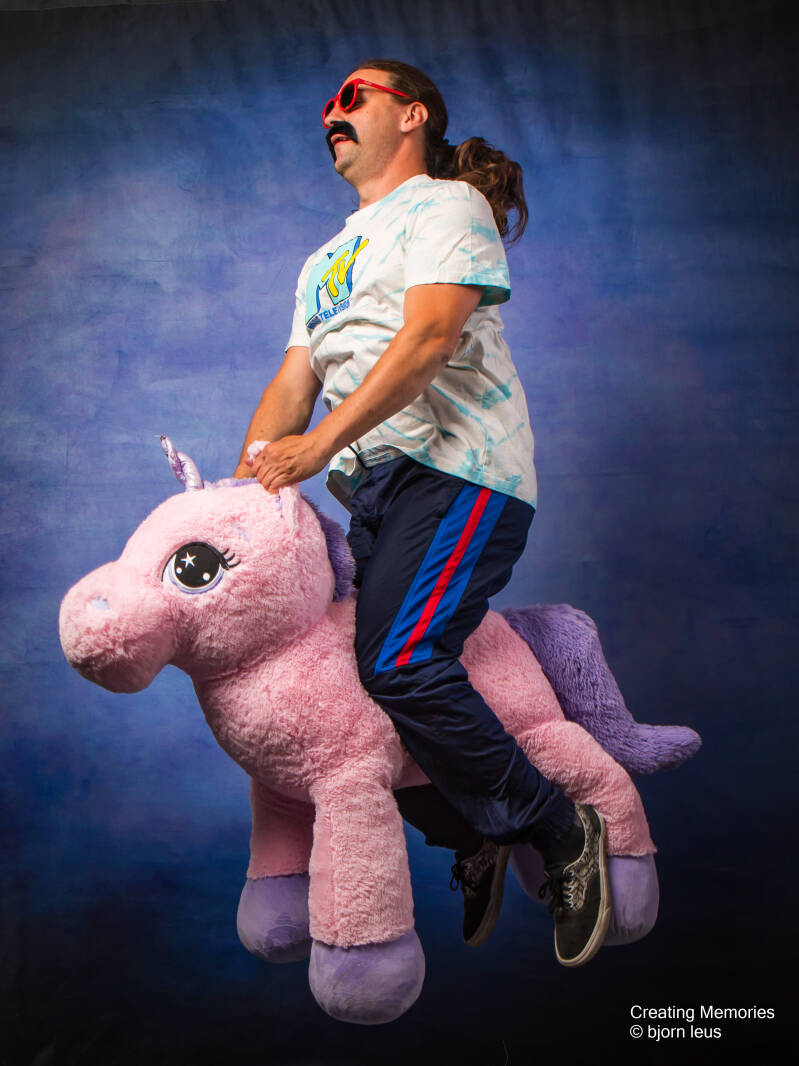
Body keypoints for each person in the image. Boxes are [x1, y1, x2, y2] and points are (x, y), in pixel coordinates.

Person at [233, 59, 610, 967]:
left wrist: (316, 447)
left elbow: (431, 336)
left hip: (457, 469)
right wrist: (242, 496)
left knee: (400, 661)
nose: (332, 114)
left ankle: (561, 831)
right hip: (372, 488)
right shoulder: (322, 261)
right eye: (325, 105)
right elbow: (292, 384)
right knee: (358, 692)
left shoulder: (447, 206)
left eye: (351, 97)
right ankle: (470, 832)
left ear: (413, 115)